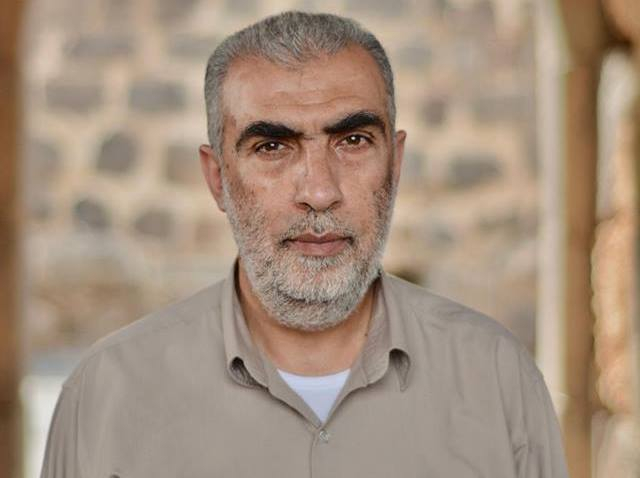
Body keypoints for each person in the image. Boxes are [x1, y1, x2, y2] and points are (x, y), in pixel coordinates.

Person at [41, 11, 568, 478]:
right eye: (272, 146)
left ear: (396, 162)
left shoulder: (496, 379)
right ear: (217, 178)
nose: (319, 192)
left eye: (353, 141)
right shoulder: (107, 396)